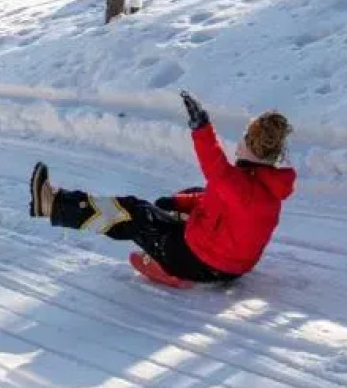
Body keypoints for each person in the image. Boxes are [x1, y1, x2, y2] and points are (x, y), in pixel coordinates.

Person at [28, 92, 295, 284]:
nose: (237, 145)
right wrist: (179, 203)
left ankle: (55, 206)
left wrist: (201, 127)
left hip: (202, 263)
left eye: (242, 140)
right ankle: (167, 250)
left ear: (250, 146)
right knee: (188, 194)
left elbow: (215, 168)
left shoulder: (240, 186)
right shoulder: (265, 186)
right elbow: (215, 199)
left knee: (133, 213)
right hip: (229, 264)